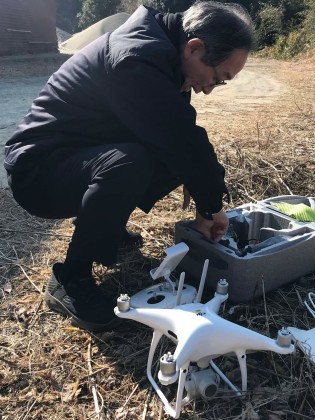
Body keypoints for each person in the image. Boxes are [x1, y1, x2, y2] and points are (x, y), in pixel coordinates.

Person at [4, 1, 256, 332]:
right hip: (37, 170)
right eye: (217, 77)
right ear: (194, 48)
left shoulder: (165, 53)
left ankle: (101, 220)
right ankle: (70, 278)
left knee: (168, 158)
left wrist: (200, 193)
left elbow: (180, 140)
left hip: (77, 153)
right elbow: (182, 139)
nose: (209, 89)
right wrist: (211, 207)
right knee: (134, 162)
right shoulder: (138, 57)